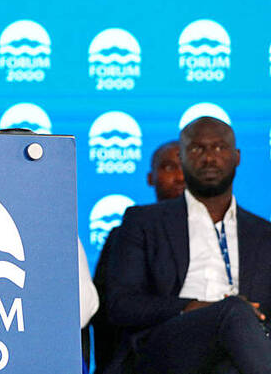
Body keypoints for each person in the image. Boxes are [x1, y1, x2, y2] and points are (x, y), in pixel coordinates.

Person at [105, 117, 271, 374]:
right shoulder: (143, 221)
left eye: (219, 148)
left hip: (245, 346)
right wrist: (191, 306)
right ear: (182, 158)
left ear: (237, 156)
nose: (209, 158)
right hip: (168, 343)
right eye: (197, 149)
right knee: (233, 310)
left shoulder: (264, 233)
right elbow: (121, 305)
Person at [92, 140, 183, 373]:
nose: (180, 176)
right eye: (169, 167)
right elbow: (105, 315)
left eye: (185, 166)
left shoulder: (232, 232)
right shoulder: (124, 234)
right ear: (150, 177)